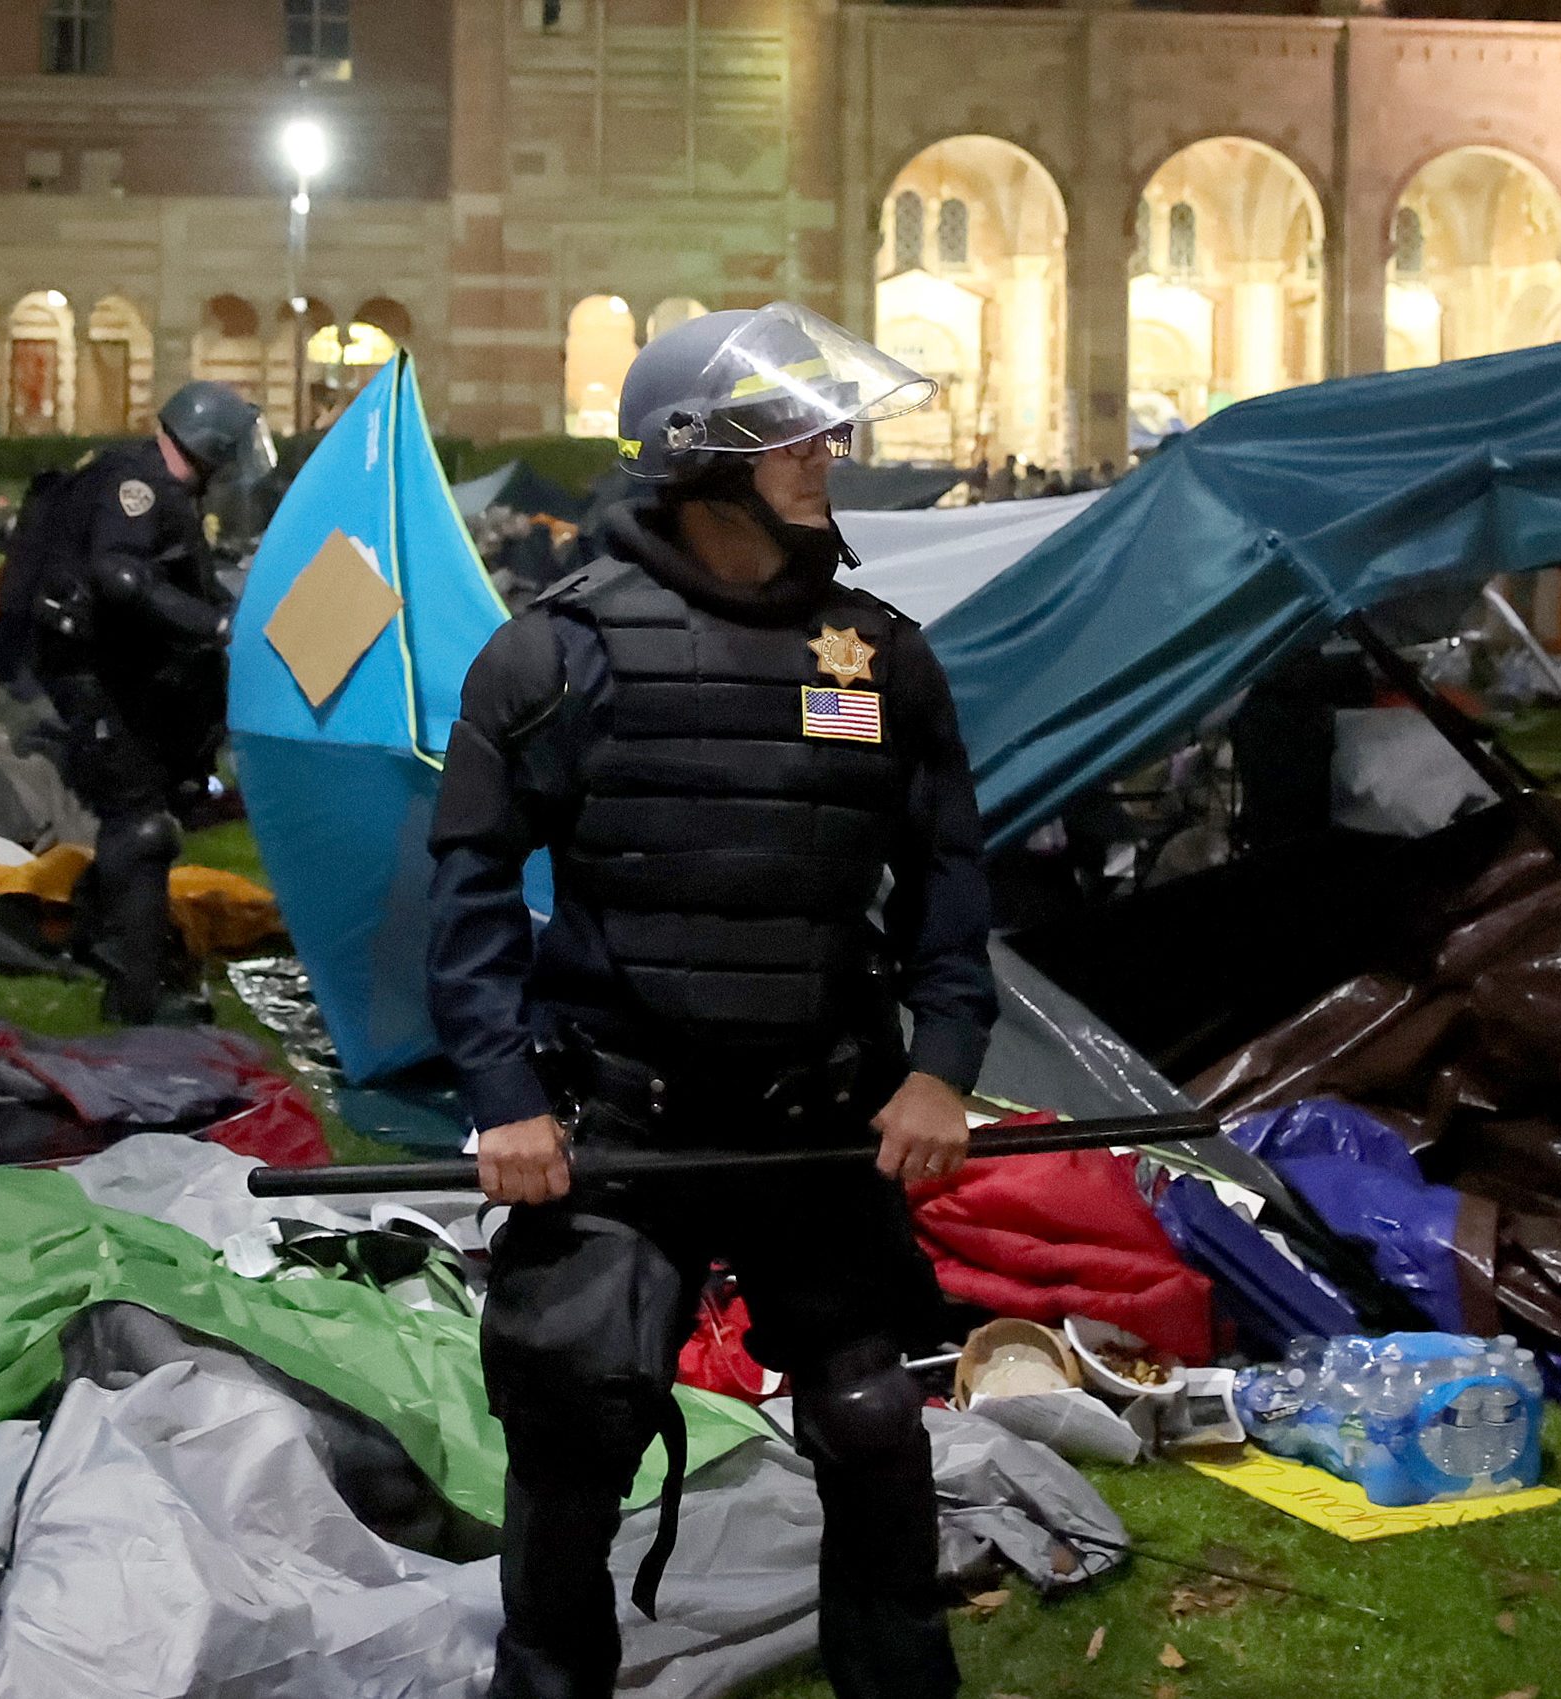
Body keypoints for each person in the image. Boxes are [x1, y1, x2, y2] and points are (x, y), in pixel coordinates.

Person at [427, 303, 997, 1699]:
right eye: (792, 430)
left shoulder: (877, 657)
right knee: (572, 1425)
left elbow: (948, 879)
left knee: (872, 1419)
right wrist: (502, 1096)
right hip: (621, 1121)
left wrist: (942, 1065)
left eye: (825, 423)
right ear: (698, 455)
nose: (830, 451)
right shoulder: (549, 656)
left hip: (818, 1113)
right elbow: (467, 894)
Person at [0, 379, 270, 1023]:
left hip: (124, 674)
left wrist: (228, 615)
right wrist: (215, 627)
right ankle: (134, 996)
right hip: (94, 676)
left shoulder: (161, 486)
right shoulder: (134, 488)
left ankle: (97, 937)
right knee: (140, 826)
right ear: (207, 442)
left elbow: (177, 578)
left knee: (161, 799)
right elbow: (121, 577)